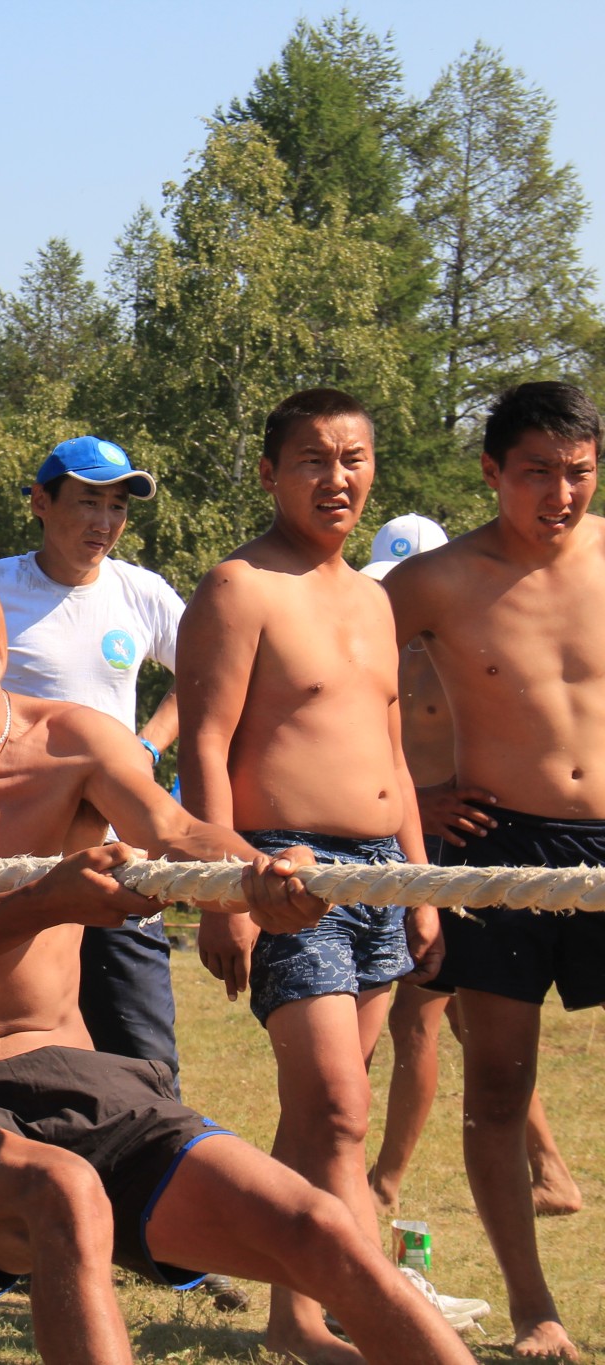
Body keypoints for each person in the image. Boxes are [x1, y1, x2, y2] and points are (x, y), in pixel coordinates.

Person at [0, 502, 475, 1365]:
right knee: (66, 1193)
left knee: (322, 1227)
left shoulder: (75, 738)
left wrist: (252, 873)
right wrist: (43, 901)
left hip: (89, 1082)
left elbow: (176, 829)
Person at [177, 389, 483, 1359]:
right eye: (311, 459)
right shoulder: (237, 589)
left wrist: (416, 880)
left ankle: (289, 1319)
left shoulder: (372, 600)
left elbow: (391, 751)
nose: (334, 477)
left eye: (351, 458)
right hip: (284, 876)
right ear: (269, 474)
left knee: (322, 1114)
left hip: (378, 878)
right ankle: (376, 1311)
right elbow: (202, 746)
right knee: (339, 1111)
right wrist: (222, 890)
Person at [384, 380, 605, 1362]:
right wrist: (409, 796)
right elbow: (327, 676)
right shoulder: (434, 580)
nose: (558, 496)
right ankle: (531, 1305)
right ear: (489, 473)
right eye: (536, 476)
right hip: (494, 839)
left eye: (577, 475)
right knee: (497, 1083)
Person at [359, 515, 582, 1222]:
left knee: (427, 1018)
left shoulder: (483, 637)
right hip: (408, 834)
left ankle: (386, 1182)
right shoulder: (397, 650)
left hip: (464, 843)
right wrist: (409, 803)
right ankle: (546, 1167)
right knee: (461, 1023)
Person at [0, 436, 186, 1082]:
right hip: (12, 859)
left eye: (118, 506)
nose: (105, 522)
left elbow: (210, 673)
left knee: (144, 1051)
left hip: (118, 855)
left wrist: (149, 743)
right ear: (41, 502)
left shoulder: (141, 592)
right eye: (89, 502)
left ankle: (153, 1169)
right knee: (18, 1041)